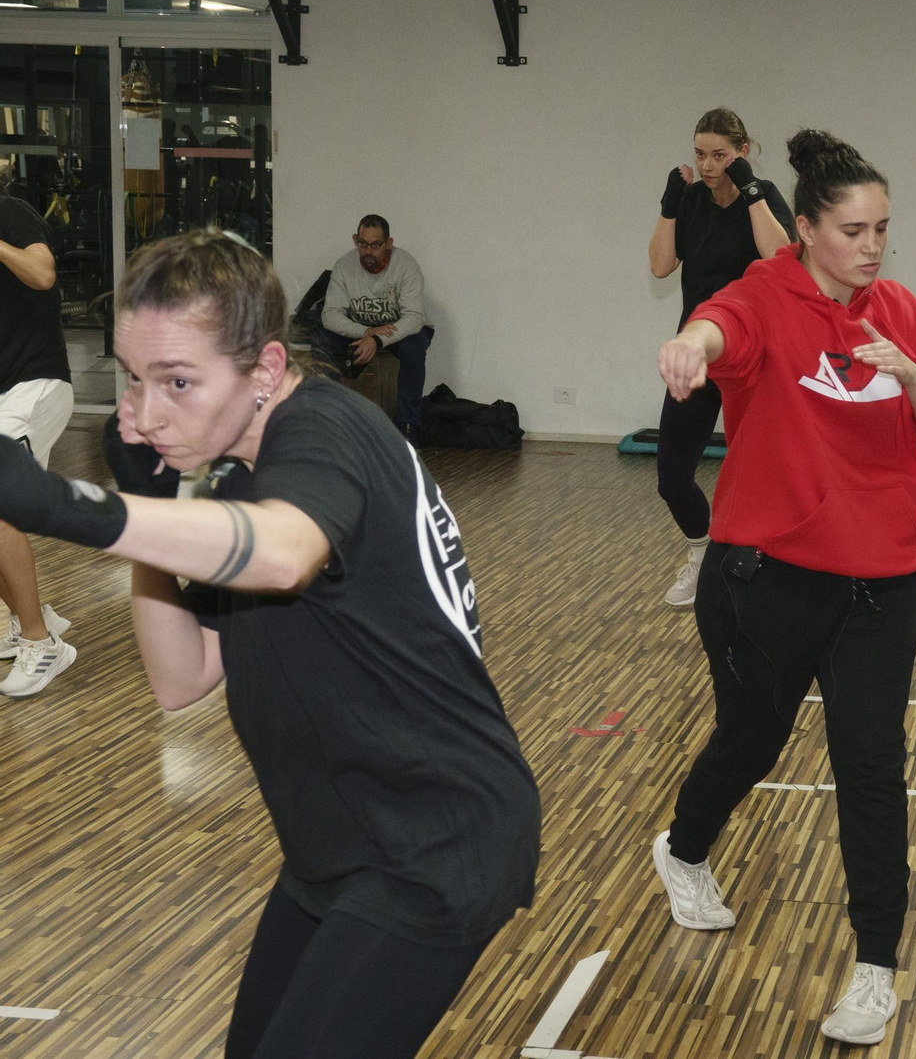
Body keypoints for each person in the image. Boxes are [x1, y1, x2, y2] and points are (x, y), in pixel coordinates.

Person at [0, 229, 541, 1058]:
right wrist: (147, 512)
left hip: (434, 842)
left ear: (266, 369)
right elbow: (183, 678)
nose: (147, 414)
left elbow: (286, 552)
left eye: (179, 382)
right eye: (136, 381)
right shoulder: (235, 477)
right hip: (333, 846)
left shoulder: (328, 430)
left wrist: (61, 505)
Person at [652, 128, 916, 1046]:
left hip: (883, 586)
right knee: (751, 741)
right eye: (854, 230)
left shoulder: (897, 309)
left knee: (871, 768)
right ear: (806, 232)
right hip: (768, 580)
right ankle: (682, 849)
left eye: (882, 230)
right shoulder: (767, 293)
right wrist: (690, 345)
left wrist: (911, 374)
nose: (872, 247)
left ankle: (876, 969)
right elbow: (721, 325)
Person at [648, 108, 795, 607]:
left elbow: (783, 257)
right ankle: (701, 552)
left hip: (755, 356)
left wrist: (751, 191)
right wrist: (669, 207)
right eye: (700, 154)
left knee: (759, 474)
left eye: (720, 155)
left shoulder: (764, 195)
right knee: (672, 477)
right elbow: (662, 266)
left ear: (741, 152)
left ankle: (765, 570)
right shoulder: (691, 201)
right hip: (698, 353)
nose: (708, 165)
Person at [0, 166, 76, 696]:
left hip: (36, 384)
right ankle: (29, 615)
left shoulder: (11, 212)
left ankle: (41, 641)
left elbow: (42, 273)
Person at [312, 215, 434, 444]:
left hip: (399, 330)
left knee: (414, 347)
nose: (368, 251)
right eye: (363, 243)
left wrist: (377, 340)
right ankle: (327, 422)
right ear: (355, 240)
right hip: (363, 329)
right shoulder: (344, 266)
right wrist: (365, 333)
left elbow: (414, 317)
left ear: (388, 243)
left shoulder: (406, 265)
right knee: (322, 341)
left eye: (375, 245)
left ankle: (408, 427)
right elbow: (330, 315)